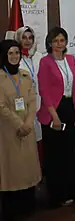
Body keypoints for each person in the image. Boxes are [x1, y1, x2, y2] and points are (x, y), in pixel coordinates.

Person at [37, 27, 75, 208]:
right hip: (53, 110)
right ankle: (57, 196)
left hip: (69, 108)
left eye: (62, 40)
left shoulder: (70, 59)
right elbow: (44, 90)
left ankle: (71, 192)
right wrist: (54, 116)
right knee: (55, 156)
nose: (59, 44)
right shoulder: (45, 62)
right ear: (49, 43)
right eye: (55, 41)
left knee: (69, 152)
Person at [0, 40, 40, 221]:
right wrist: (19, 124)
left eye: (17, 52)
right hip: (8, 131)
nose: (14, 56)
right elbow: (1, 107)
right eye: (10, 53)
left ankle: (28, 205)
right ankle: (12, 209)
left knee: (27, 168)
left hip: (27, 129)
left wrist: (29, 123)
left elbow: (32, 101)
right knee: (11, 169)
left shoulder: (25, 76)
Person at [15, 27, 43, 158]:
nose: (27, 41)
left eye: (30, 38)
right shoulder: (15, 57)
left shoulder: (39, 57)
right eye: (24, 37)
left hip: (40, 102)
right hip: (22, 104)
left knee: (39, 139)